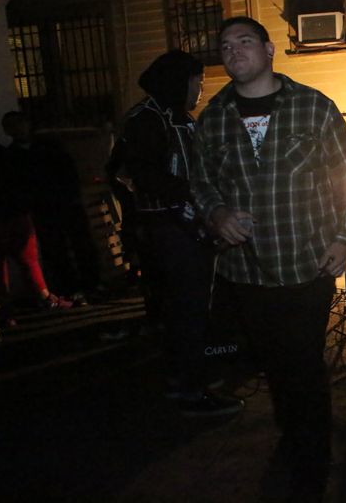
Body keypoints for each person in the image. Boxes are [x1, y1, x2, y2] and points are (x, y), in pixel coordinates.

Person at [190, 16, 346, 501]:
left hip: (306, 263)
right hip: (245, 270)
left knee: (303, 365)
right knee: (274, 366)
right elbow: (201, 182)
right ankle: (294, 436)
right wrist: (217, 213)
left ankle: (312, 461)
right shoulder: (213, 118)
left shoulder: (313, 107)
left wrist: (344, 238)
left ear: (269, 50)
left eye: (245, 41)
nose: (234, 50)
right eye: (225, 45)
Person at [120, 50, 243, 417]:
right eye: (197, 82)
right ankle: (191, 391)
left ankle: (184, 377)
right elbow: (142, 174)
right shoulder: (147, 118)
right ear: (177, 82)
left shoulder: (177, 117)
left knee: (188, 308)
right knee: (188, 308)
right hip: (170, 229)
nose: (200, 91)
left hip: (186, 227)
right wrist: (192, 195)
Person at [2, 111, 101, 305]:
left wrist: (72, 194)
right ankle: (70, 287)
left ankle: (92, 283)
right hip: (43, 209)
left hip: (65, 202)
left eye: (20, 123)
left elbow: (68, 169)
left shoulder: (47, 146)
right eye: (12, 126)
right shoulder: (12, 156)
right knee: (56, 249)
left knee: (81, 244)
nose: (18, 129)